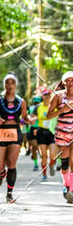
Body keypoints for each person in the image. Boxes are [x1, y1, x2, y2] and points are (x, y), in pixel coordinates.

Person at [0, 75, 29, 203]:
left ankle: (9, 194)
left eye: (12, 83)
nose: (10, 86)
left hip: (15, 132)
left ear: (15, 85)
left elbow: (25, 117)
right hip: (1, 133)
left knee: (11, 163)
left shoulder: (21, 102)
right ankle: (1, 173)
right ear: (4, 85)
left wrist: (29, 120)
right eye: (7, 83)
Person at [45, 71, 73, 203]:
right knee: (66, 162)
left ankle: (71, 191)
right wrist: (63, 110)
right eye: (68, 80)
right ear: (63, 82)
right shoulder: (58, 96)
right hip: (62, 133)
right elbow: (48, 115)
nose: (71, 82)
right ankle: (66, 185)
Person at [34, 86, 58, 181]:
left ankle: (51, 164)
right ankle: (44, 174)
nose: (47, 96)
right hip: (41, 132)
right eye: (45, 95)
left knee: (53, 155)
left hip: (52, 132)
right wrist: (31, 119)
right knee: (43, 155)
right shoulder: (38, 107)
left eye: (49, 94)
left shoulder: (54, 106)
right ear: (42, 96)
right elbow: (32, 116)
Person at [27, 94, 41, 170]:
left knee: (37, 147)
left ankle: (40, 163)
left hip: (39, 128)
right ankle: (36, 164)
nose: (36, 103)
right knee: (35, 147)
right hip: (34, 128)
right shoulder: (32, 108)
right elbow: (28, 117)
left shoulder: (43, 107)